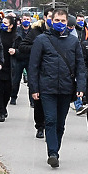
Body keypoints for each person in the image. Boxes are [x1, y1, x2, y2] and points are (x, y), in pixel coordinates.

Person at [28, 8, 86, 168]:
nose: (60, 24)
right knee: (51, 120)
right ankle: (52, 153)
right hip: (47, 88)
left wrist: (81, 86)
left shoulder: (74, 42)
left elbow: (81, 66)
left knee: (60, 123)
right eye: (57, 21)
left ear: (67, 22)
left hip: (66, 89)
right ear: (51, 21)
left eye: (63, 21)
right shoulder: (41, 40)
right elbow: (33, 66)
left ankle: (56, 150)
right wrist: (34, 88)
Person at [17, 7, 54, 139]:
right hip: (39, 70)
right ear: (45, 18)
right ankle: (40, 126)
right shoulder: (36, 32)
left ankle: (51, 127)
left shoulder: (61, 33)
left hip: (54, 72)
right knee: (39, 103)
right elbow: (22, 47)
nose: (52, 20)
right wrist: (38, 47)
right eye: (49, 17)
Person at [9, 13, 33, 106]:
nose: (26, 20)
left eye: (28, 19)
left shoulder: (33, 32)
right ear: (21, 20)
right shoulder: (16, 31)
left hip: (29, 58)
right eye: (24, 19)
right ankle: (13, 97)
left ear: (30, 20)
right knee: (15, 79)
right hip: (18, 58)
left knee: (31, 81)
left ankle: (32, 100)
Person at [0, 14, 17, 122]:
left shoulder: (16, 37)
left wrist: (15, 51)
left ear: (11, 25)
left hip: (11, 66)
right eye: (2, 22)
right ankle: (1, 111)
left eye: (5, 23)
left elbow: (21, 50)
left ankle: (4, 107)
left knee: (8, 90)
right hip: (0, 65)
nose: (3, 25)